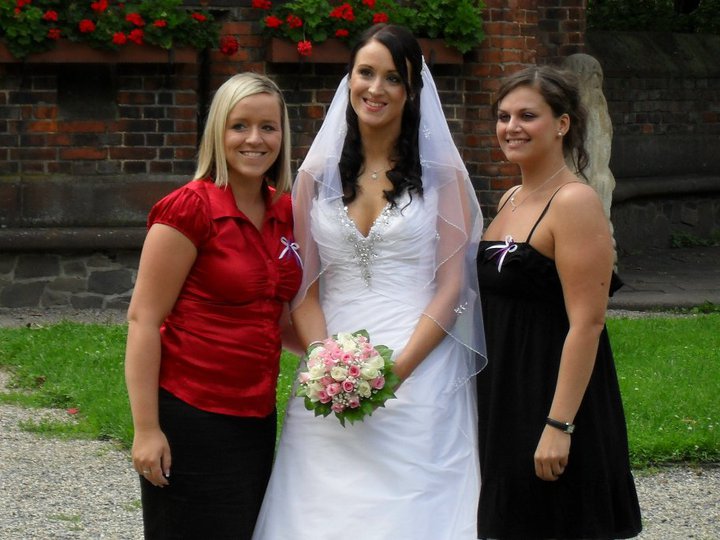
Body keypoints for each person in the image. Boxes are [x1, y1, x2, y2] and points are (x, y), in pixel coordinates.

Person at [252, 24, 486, 540]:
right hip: (329, 363)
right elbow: (305, 288)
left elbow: (452, 288)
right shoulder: (315, 176)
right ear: (349, 79)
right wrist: (325, 365)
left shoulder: (443, 176)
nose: (375, 89)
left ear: (411, 90)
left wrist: (396, 372)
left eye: (392, 78)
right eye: (366, 73)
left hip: (420, 366)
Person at [124, 72, 302, 539]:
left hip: (256, 416)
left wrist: (340, 359)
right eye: (239, 126)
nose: (255, 139)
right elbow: (144, 320)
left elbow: (277, 316)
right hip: (192, 412)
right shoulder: (188, 209)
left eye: (268, 127)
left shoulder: (285, 212)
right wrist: (146, 429)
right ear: (218, 132)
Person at [476, 65, 642, 539]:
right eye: (504, 116)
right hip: (505, 392)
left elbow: (588, 323)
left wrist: (559, 424)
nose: (512, 127)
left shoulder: (574, 202)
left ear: (562, 124)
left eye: (528, 116)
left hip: (551, 394)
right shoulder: (510, 197)